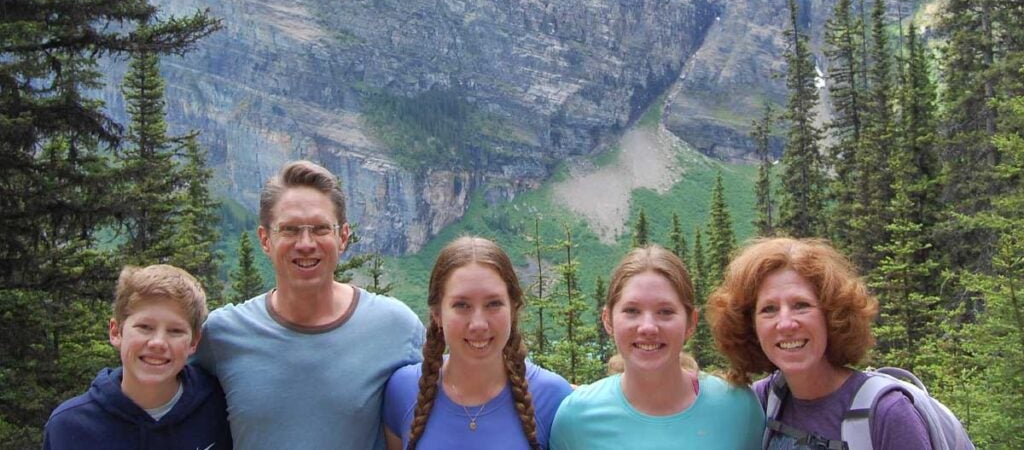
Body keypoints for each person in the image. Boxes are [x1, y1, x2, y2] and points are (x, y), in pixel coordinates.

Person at [193, 160, 424, 449]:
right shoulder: (222, 335)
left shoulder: (397, 328)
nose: (305, 243)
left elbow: (452, 405)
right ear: (265, 240)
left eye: (320, 228)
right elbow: (159, 396)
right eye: (289, 229)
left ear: (343, 237)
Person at [706, 237, 932, 449]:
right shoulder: (761, 402)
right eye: (769, 309)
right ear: (751, 325)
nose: (785, 324)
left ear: (832, 316)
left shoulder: (888, 414)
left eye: (801, 305)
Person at [549, 245, 764, 449]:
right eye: (632, 311)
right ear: (608, 320)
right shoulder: (576, 418)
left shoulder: (739, 410)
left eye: (665, 312)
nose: (648, 327)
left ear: (691, 322)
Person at [384, 236, 572, 449]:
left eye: (493, 304)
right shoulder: (403, 391)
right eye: (462, 305)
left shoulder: (552, 397)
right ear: (437, 314)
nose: (478, 324)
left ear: (513, 309)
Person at [43, 264, 231, 449]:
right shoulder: (69, 427)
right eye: (144, 327)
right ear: (116, 332)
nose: (158, 342)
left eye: (175, 331)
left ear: (194, 342)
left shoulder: (221, 408)